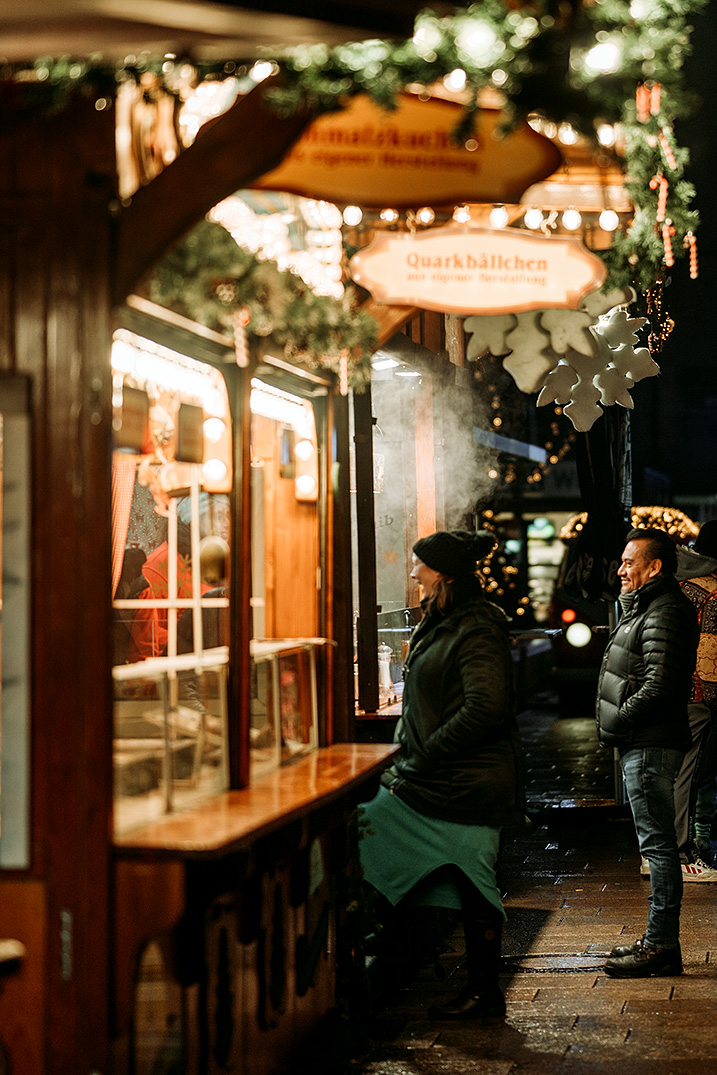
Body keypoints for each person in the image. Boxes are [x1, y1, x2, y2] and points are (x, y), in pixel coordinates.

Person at [359, 529, 525, 1019]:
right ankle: (377, 962)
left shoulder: (476, 625)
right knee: (368, 837)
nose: (413, 573)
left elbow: (486, 707)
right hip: (437, 779)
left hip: (461, 784)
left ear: (444, 573)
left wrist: (428, 752)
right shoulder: (446, 617)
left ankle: (481, 992)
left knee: (473, 882)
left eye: (419, 565)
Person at [596, 527, 699, 978]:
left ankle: (661, 944)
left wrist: (618, 720)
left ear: (653, 566)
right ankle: (658, 941)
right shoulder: (648, 606)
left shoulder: (667, 609)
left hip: (650, 742)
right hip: (642, 740)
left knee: (658, 847)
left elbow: (658, 685)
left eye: (628, 562)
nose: (621, 569)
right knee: (654, 845)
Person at [673, 519, 717, 879]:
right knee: (691, 772)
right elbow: (711, 655)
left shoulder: (678, 583)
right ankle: (683, 850)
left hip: (677, 688)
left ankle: (680, 846)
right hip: (701, 693)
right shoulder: (712, 590)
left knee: (683, 771)